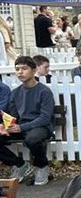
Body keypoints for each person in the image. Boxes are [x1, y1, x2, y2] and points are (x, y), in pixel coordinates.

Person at [0, 56, 56, 186]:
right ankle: (19, 164)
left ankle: (42, 166)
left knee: (32, 139)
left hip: (40, 127)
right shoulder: (15, 93)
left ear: (34, 70)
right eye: (17, 69)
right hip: (21, 127)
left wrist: (21, 127)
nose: (20, 72)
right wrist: (5, 126)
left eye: (24, 69)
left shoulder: (44, 92)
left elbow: (45, 118)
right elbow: (13, 116)